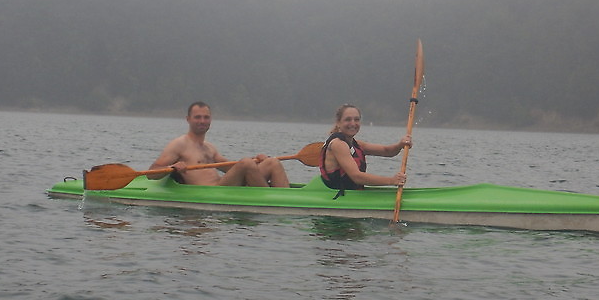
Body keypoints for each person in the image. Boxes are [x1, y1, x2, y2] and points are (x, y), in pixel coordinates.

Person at [149, 102, 290, 187]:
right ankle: (271, 200)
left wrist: (257, 161)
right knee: (246, 163)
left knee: (272, 162)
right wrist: (171, 167)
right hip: (208, 191)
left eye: (206, 117)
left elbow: (232, 168)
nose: (202, 121)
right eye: (197, 117)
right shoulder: (179, 144)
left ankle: (287, 198)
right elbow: (152, 173)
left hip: (222, 185)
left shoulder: (210, 147)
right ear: (188, 119)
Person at [320, 104, 411, 196]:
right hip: (338, 196)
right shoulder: (338, 144)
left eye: (356, 119)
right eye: (348, 119)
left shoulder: (356, 144)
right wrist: (391, 181)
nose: (353, 123)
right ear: (338, 123)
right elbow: (357, 176)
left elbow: (387, 151)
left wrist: (400, 144)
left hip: (354, 193)